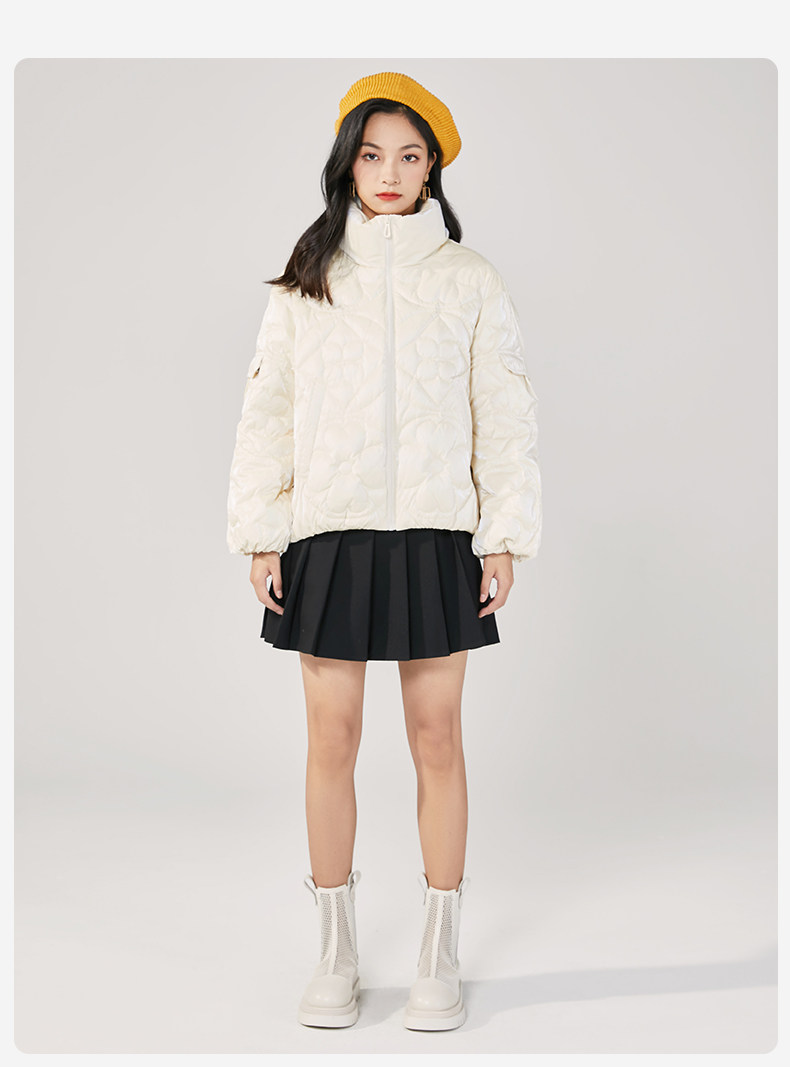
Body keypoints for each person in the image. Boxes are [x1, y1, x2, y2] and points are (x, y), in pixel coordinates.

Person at [226, 71, 542, 1032]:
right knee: (332, 739)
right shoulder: (309, 278)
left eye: (409, 155)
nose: (390, 172)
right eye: (373, 154)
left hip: (437, 536)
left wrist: (503, 534)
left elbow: (505, 412)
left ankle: (439, 952)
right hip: (328, 533)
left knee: (436, 738)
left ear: (432, 167)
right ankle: (336, 952)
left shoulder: (471, 280)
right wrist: (261, 529)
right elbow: (267, 409)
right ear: (348, 163)